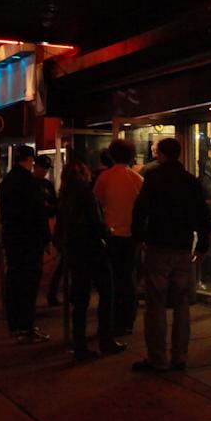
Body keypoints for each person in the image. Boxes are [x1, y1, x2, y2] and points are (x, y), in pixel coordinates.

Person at [130, 137, 211, 372]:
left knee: (155, 304)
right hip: (183, 247)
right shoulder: (190, 181)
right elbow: (201, 214)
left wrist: (141, 237)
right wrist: (202, 244)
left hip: (158, 246)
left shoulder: (154, 179)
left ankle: (158, 358)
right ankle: (180, 356)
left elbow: (140, 210)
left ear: (161, 154)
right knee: (181, 304)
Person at [58, 161, 127, 361]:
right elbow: (96, 222)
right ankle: (106, 339)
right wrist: (108, 232)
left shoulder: (65, 195)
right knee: (107, 293)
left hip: (74, 250)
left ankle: (79, 344)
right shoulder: (86, 194)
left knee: (80, 300)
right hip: (93, 249)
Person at [0, 145, 52, 344]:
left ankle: (15, 325)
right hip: (29, 240)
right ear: (30, 160)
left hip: (13, 238)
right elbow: (39, 214)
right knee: (28, 284)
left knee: (14, 280)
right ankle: (26, 326)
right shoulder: (31, 183)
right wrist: (46, 238)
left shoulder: (7, 181)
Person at [92, 138, 143, 336]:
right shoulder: (137, 179)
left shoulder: (105, 177)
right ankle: (127, 320)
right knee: (128, 279)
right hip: (131, 236)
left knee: (110, 280)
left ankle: (111, 320)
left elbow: (97, 203)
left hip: (111, 235)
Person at [33, 155, 64, 306]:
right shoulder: (31, 184)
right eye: (42, 167)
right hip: (38, 227)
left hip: (49, 224)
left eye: (46, 168)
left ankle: (50, 293)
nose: (44, 171)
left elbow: (54, 204)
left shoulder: (47, 184)